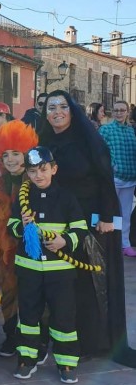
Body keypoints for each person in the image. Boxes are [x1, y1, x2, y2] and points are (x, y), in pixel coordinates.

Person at [37, 90, 136, 367]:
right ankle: (68, 338)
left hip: (93, 219)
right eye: (51, 107)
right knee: (66, 282)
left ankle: (94, 340)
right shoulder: (44, 141)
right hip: (59, 219)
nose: (57, 111)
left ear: (73, 110)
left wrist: (107, 216)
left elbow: (105, 178)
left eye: (63, 106)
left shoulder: (89, 140)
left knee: (92, 282)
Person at [7, 147, 87, 383]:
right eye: (32, 171)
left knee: (63, 317)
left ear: (54, 169)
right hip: (29, 269)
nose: (38, 176)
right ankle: (27, 358)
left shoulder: (67, 197)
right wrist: (22, 226)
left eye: (43, 170)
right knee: (29, 316)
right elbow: (11, 227)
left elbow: (81, 229)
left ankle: (67, 362)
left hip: (60, 271)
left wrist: (65, 241)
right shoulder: (23, 198)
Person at [0, 120, 38, 357]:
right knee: (7, 288)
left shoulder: (35, 180)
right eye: (6, 155)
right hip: (4, 243)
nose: (12, 159)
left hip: (29, 244)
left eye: (17, 153)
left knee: (30, 291)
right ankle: (10, 334)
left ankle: (33, 337)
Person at [99, 101, 136, 256]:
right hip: (113, 178)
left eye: (122, 110)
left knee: (125, 214)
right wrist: (111, 166)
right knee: (109, 211)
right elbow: (100, 151)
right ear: (112, 112)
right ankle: (108, 243)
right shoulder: (105, 129)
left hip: (130, 178)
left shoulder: (131, 131)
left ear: (127, 112)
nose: (119, 113)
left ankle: (125, 243)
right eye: (116, 110)